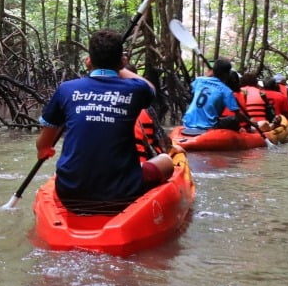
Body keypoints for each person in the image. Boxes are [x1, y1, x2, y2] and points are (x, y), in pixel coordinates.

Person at [36, 29, 174, 213]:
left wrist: (45, 150)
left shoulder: (66, 89)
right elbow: (150, 88)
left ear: (88, 60)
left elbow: (43, 144)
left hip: (69, 193)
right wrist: (121, 68)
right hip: (122, 193)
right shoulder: (137, 90)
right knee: (166, 161)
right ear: (122, 60)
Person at [179, 58, 245, 133]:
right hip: (208, 126)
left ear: (213, 71)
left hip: (187, 121)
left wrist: (208, 76)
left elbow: (193, 90)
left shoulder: (199, 80)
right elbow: (238, 115)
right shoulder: (226, 91)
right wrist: (250, 122)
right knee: (234, 120)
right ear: (227, 74)